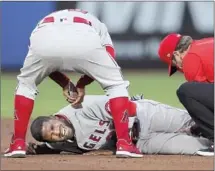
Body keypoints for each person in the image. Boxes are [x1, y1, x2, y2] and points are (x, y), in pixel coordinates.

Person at [4, 9, 142, 158]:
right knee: (115, 86)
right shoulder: (96, 23)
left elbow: (41, 60)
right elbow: (108, 54)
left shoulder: (45, 20)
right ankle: (124, 143)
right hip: (83, 36)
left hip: (43, 38)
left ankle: (17, 143)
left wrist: (65, 83)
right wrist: (82, 83)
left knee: (26, 86)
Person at [26, 95, 212, 156]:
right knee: (195, 148)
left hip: (145, 116)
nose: (56, 132)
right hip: (143, 143)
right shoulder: (59, 143)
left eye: (53, 127)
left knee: (194, 122)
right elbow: (51, 147)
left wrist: (122, 131)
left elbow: (124, 106)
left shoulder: (81, 108)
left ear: (55, 118)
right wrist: (39, 150)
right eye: (51, 136)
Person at [158, 33, 214, 156]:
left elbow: (205, 105)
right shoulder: (204, 44)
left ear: (176, 54)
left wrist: (198, 127)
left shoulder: (190, 58)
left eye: (174, 64)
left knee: (185, 91)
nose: (178, 67)